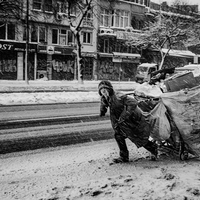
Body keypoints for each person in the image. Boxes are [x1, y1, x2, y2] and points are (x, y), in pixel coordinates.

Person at [98, 80, 158, 163]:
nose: (104, 93)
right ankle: (124, 157)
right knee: (119, 136)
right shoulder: (106, 98)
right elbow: (104, 103)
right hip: (121, 123)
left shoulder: (119, 96)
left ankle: (153, 147)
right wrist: (102, 110)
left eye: (105, 91)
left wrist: (125, 115)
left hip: (132, 121)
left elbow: (133, 103)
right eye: (102, 91)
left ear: (110, 90)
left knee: (137, 138)